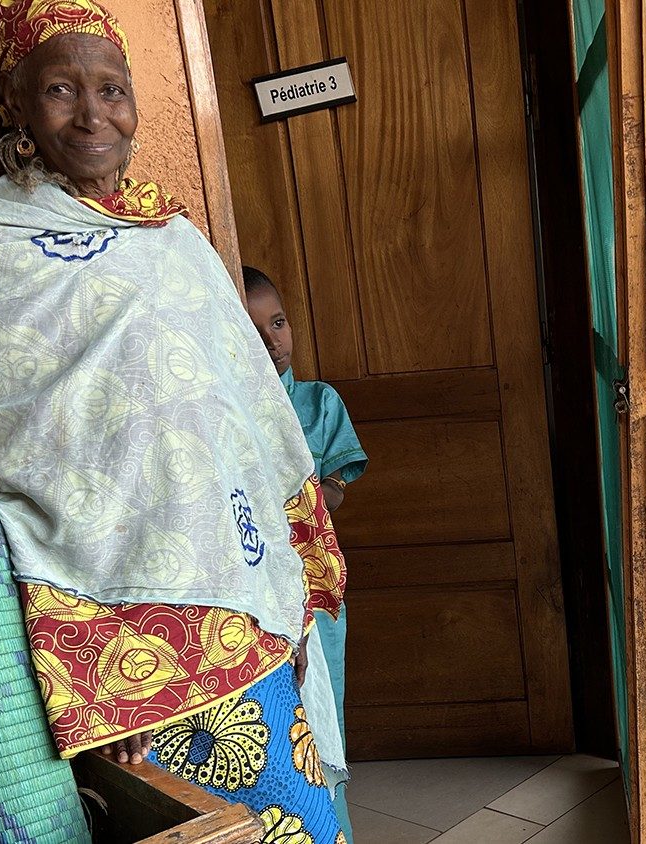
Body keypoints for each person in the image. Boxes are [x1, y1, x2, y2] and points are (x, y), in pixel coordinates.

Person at [0, 1, 346, 840]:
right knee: (187, 825)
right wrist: (96, 673)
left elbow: (247, 414)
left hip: (240, 587)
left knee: (301, 822)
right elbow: (15, 445)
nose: (93, 114)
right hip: (125, 620)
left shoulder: (175, 237)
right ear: (14, 106)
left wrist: (285, 584)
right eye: (60, 90)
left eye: (112, 90)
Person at [245, 265, 366, 839]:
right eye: (254, 328)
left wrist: (303, 492)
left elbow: (336, 491)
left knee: (324, 717)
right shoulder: (230, 415)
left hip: (316, 591)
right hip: (260, 588)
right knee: (276, 722)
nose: (272, 340)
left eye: (279, 322)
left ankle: (337, 826)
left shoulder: (319, 403)